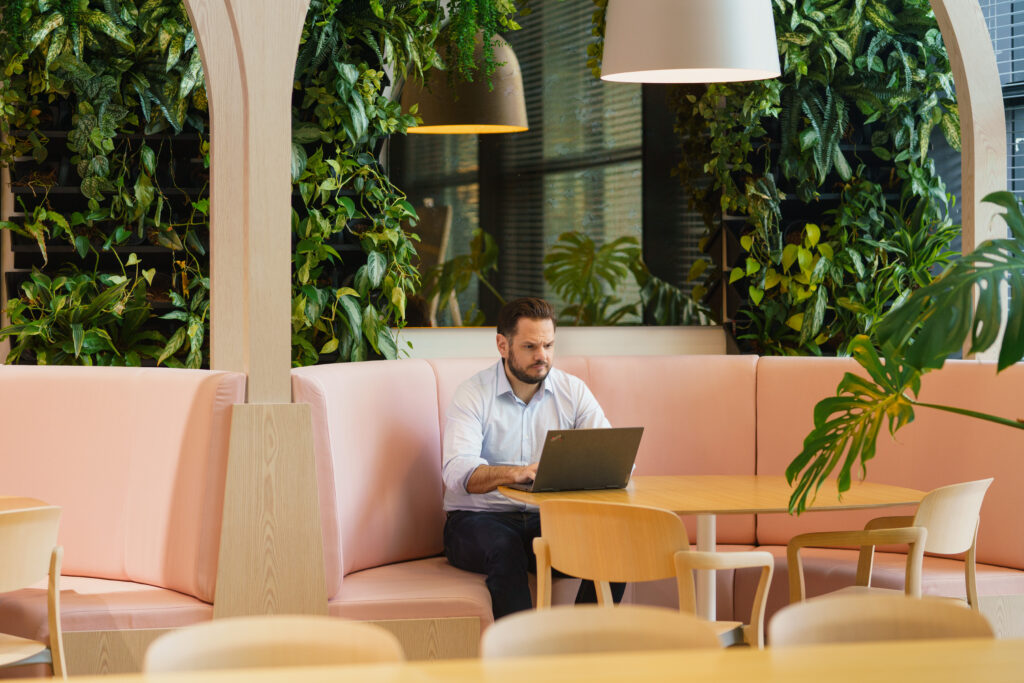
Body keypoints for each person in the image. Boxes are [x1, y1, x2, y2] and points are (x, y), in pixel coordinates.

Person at [441, 297, 625, 619]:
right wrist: (516, 473)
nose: (542, 357)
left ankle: (581, 647)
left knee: (614, 547)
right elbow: (457, 472)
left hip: (547, 520)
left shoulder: (573, 391)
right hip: (477, 521)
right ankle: (524, 661)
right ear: (502, 344)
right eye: (529, 347)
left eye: (549, 345)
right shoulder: (473, 393)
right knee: (505, 547)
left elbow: (608, 453)